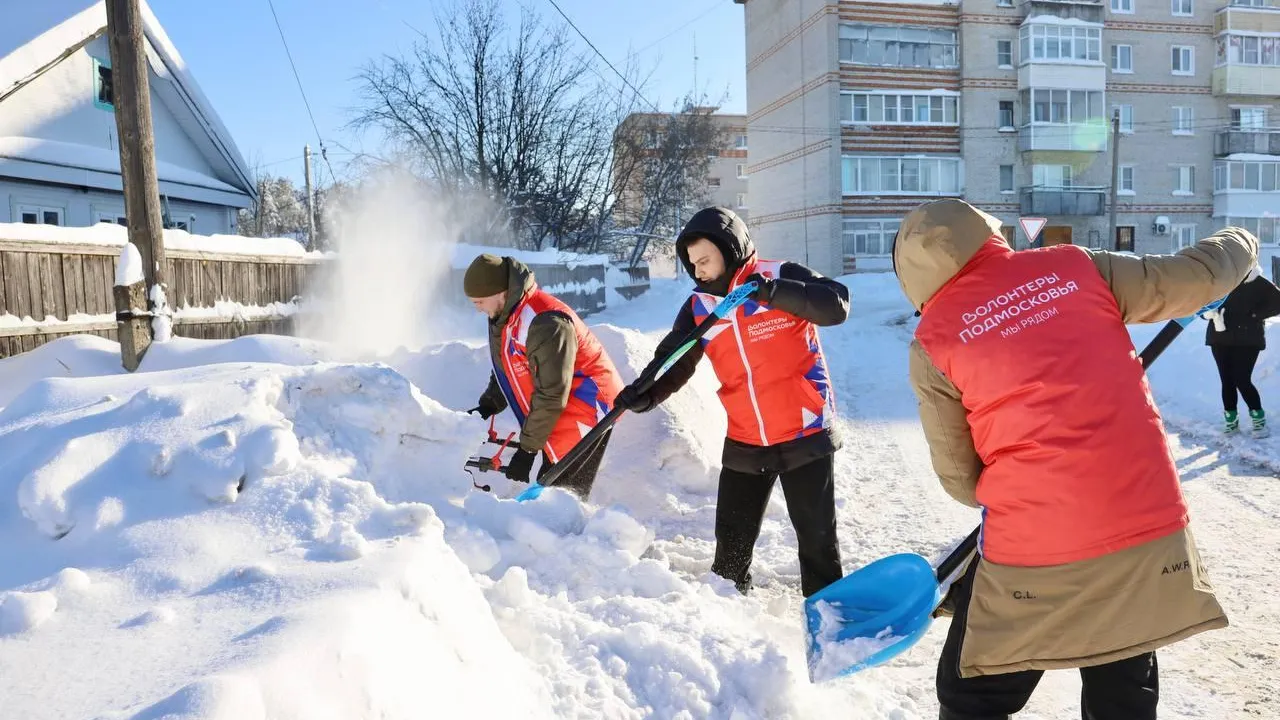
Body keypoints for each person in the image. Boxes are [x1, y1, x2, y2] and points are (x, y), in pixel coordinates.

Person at [895, 198, 1248, 720]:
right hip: (1144, 530)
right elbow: (1198, 276)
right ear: (986, 234)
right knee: (1122, 683)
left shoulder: (934, 339)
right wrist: (1240, 241)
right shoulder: (1074, 266)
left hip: (1033, 551)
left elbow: (960, 476)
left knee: (972, 691)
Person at [614, 206, 850, 598]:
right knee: (730, 546)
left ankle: (829, 618)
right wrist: (647, 392)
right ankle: (729, 617)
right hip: (746, 436)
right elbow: (674, 358)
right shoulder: (700, 307)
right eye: (693, 264)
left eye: (705, 260)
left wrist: (772, 293)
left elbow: (836, 305)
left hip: (804, 428)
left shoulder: (780, 275)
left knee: (817, 540)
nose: (700, 271)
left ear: (729, 248)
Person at [465, 253, 623, 500]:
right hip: (562, 405)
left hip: (588, 405)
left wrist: (528, 450)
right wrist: (489, 405)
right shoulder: (505, 314)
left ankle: (574, 534)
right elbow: (508, 363)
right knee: (550, 490)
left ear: (500, 292)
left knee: (559, 496)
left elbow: (551, 391)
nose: (477, 309)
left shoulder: (544, 321)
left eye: (480, 301)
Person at [1202, 267, 1280, 436]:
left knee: (1241, 379)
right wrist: (1208, 313)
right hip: (1220, 337)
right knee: (1227, 380)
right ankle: (1231, 421)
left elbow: (1277, 302)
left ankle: (1258, 419)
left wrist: (1254, 315)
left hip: (1248, 339)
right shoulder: (1220, 281)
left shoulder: (1258, 282)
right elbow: (1201, 304)